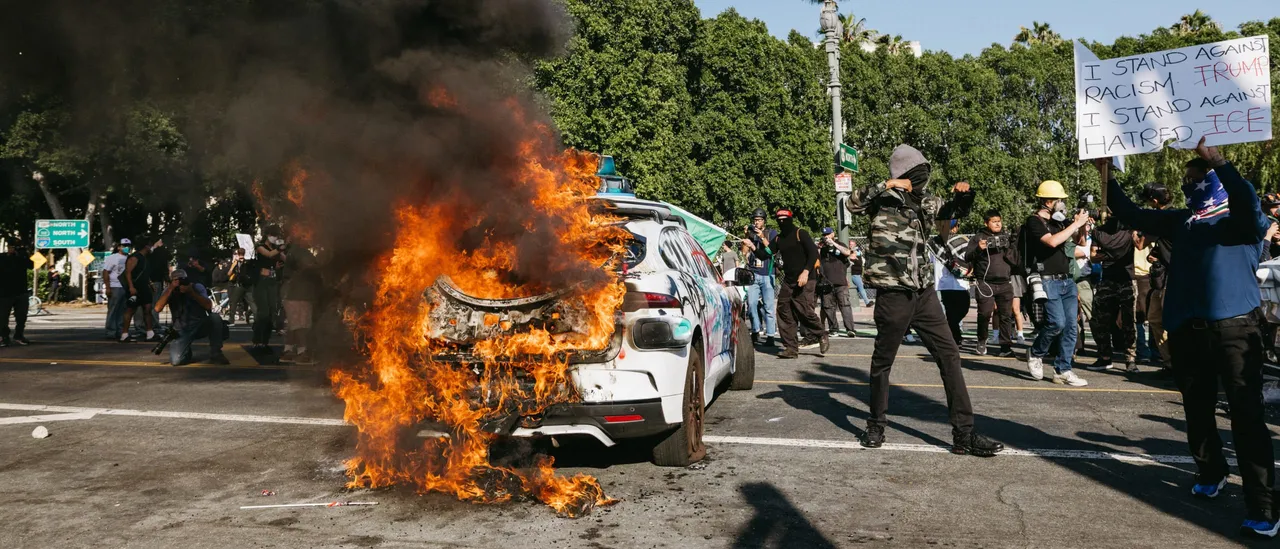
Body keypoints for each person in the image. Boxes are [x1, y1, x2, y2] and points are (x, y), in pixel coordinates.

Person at [1103, 139, 1279, 538]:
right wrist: (1107, 173)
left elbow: (1246, 199)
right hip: (1188, 331)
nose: (1189, 186)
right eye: (1186, 181)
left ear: (1215, 182)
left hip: (1235, 330)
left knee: (1246, 418)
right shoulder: (1183, 222)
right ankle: (1211, 472)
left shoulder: (1242, 221)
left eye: (1197, 178)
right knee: (1197, 410)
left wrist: (1218, 160)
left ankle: (1264, 505)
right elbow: (1130, 212)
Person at [845, 144, 1001, 457]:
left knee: (949, 355)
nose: (921, 180)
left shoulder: (926, 201)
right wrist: (887, 184)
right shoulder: (881, 199)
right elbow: (852, 203)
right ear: (902, 174)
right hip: (892, 293)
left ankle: (964, 434)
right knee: (883, 362)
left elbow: (953, 212)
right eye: (916, 174)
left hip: (924, 293)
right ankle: (876, 425)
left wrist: (964, 195)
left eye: (924, 174)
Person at [1020, 179, 1091, 387]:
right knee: (1056, 322)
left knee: (1071, 326)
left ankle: (1063, 369)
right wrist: (1075, 224)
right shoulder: (1034, 221)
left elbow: (1081, 242)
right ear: (1047, 201)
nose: (1062, 203)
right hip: (1046, 280)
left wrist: (1081, 225)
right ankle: (1036, 352)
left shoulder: (1060, 221)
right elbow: (1051, 241)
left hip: (1067, 280)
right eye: (1059, 199)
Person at [769, 209, 828, 359]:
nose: (782, 222)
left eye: (785, 219)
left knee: (804, 310)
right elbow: (766, 253)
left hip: (806, 278)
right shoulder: (778, 238)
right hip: (789, 280)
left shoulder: (800, 233)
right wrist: (752, 246)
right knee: (784, 310)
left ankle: (821, 334)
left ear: (790, 219)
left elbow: (814, 253)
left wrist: (806, 272)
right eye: (779, 219)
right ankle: (790, 348)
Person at [1087, 217, 1138, 373]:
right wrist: (1112, 255)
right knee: (1099, 320)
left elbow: (1140, 244)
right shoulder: (1099, 232)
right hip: (1108, 280)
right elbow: (1093, 256)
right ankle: (1105, 357)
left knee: (1129, 321)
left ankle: (1130, 359)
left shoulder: (1129, 229)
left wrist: (1105, 254)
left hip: (1127, 279)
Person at [965, 210, 1016, 357]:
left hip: (1005, 282)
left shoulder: (1006, 237)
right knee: (984, 314)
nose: (997, 224)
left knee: (1006, 316)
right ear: (986, 223)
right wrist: (979, 249)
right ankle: (982, 341)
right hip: (985, 282)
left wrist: (1008, 246)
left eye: (999, 221)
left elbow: (1015, 259)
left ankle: (1005, 346)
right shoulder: (978, 238)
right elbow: (967, 257)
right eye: (994, 221)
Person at [154, 268, 229, 366]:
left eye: (182, 279)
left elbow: (208, 306)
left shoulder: (196, 287)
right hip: (181, 329)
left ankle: (216, 352)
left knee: (215, 318)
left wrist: (191, 292)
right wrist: (171, 289)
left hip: (199, 325)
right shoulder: (169, 290)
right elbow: (157, 308)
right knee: (176, 361)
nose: (179, 282)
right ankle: (186, 352)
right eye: (176, 280)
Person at [1140, 183, 1173, 368]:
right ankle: (1169, 363)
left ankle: (1177, 364)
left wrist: (1134, 229)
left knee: (1170, 322)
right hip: (1162, 279)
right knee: (1154, 319)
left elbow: (1140, 244)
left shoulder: (1162, 219)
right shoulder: (1172, 216)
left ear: (1154, 201)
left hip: (1172, 279)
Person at [741, 208, 779, 345]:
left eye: (759, 220)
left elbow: (772, 250)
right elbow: (744, 252)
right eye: (755, 220)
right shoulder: (751, 234)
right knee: (751, 305)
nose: (756, 222)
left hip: (767, 273)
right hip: (754, 273)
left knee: (768, 307)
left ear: (764, 221)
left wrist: (762, 236)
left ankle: (770, 335)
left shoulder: (771, 233)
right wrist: (747, 236)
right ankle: (756, 330)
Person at [281, 248, 321, 362]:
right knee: (300, 326)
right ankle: (301, 352)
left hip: (300, 297)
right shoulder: (298, 256)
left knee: (294, 326)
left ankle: (288, 350)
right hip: (297, 297)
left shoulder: (296, 254)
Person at [933, 226, 971, 345]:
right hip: (946, 283)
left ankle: (953, 335)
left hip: (959, 282)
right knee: (952, 312)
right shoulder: (935, 242)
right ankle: (955, 338)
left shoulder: (962, 241)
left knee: (960, 310)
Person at [251, 227, 287, 351]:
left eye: (276, 235)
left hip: (272, 282)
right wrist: (279, 248)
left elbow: (285, 259)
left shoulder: (275, 249)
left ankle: (265, 342)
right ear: (267, 235)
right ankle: (257, 340)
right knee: (263, 312)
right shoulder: (260, 247)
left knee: (272, 312)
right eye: (273, 235)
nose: (275, 238)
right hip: (261, 282)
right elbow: (268, 254)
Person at [817, 227, 856, 337]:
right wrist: (819, 247)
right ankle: (833, 329)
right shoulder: (822, 247)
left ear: (833, 234)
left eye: (828, 234)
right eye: (824, 235)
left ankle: (850, 329)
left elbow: (847, 252)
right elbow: (815, 258)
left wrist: (833, 243)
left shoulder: (840, 244)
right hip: (826, 282)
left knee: (845, 305)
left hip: (840, 282)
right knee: (828, 307)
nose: (826, 237)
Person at [118, 236, 158, 342]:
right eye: (150, 245)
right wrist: (131, 287)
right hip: (135, 287)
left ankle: (150, 333)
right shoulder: (134, 257)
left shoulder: (146, 258)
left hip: (144, 287)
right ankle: (124, 335)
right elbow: (128, 272)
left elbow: (145, 273)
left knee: (148, 309)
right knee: (130, 309)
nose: (151, 247)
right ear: (146, 246)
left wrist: (150, 284)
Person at [0, 236, 32, 347]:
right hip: (4, 292)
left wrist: (23, 254)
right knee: (3, 317)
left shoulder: (22, 257)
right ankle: (4, 336)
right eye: (11, 247)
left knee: (21, 316)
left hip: (21, 291)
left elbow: (31, 265)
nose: (12, 249)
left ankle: (19, 335)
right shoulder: (2, 258)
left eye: (15, 247)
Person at [102, 239, 131, 339]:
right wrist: (108, 287)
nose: (126, 247)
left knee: (123, 310)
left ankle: (120, 331)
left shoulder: (130, 258)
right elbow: (105, 272)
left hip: (126, 287)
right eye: (124, 245)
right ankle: (110, 332)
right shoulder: (113, 258)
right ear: (119, 247)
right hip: (115, 286)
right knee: (113, 310)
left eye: (128, 245)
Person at [221, 248, 256, 325]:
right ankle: (257, 319)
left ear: (238, 254)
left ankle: (231, 319)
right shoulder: (248, 262)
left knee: (233, 302)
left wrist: (233, 265)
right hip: (248, 285)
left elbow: (229, 274)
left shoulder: (236, 262)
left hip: (240, 285)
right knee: (252, 302)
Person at [847, 240, 873, 307]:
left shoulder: (858, 252)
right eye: (850, 244)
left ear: (855, 245)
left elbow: (858, 254)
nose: (851, 245)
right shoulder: (848, 253)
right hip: (854, 274)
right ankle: (867, 302)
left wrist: (855, 251)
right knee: (861, 287)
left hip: (858, 273)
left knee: (859, 288)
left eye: (853, 244)